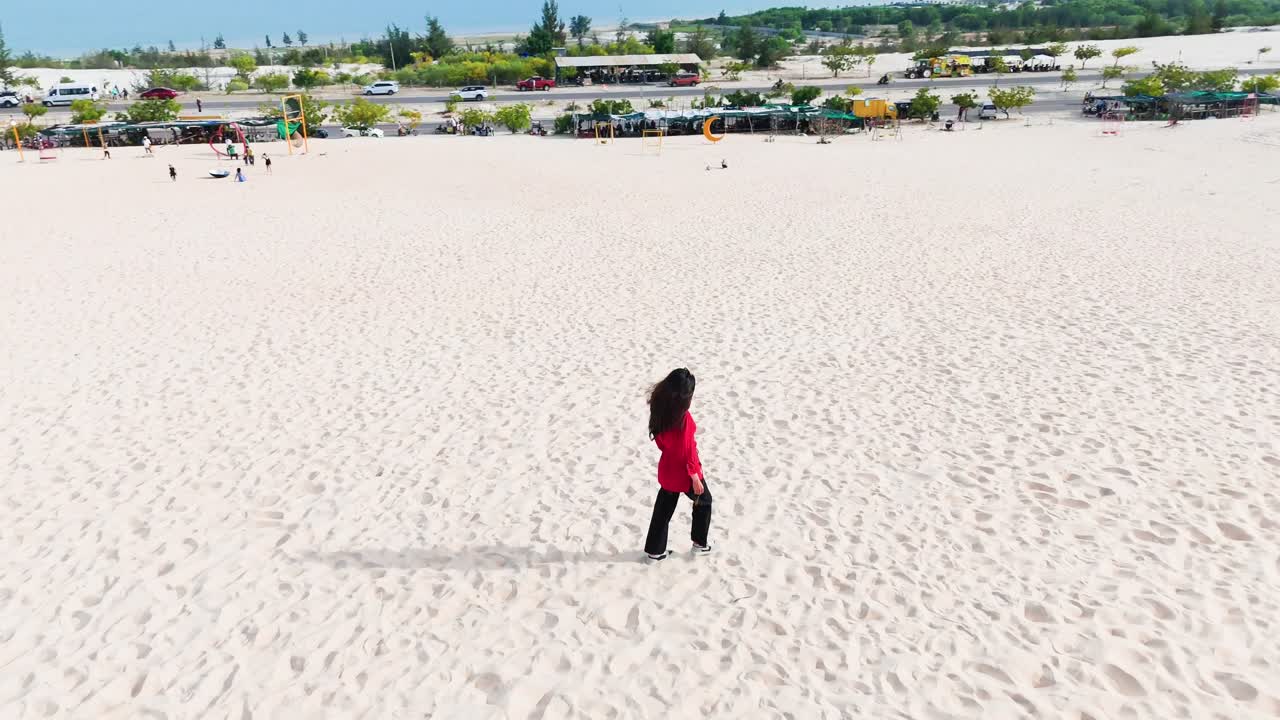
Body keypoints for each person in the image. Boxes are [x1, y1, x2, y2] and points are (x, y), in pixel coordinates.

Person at [643, 368, 712, 561]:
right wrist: (695, 476)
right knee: (704, 501)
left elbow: (661, 443)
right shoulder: (684, 420)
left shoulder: (659, 410)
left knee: (663, 510)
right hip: (684, 473)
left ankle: (655, 551)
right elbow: (688, 451)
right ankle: (700, 544)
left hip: (667, 470)